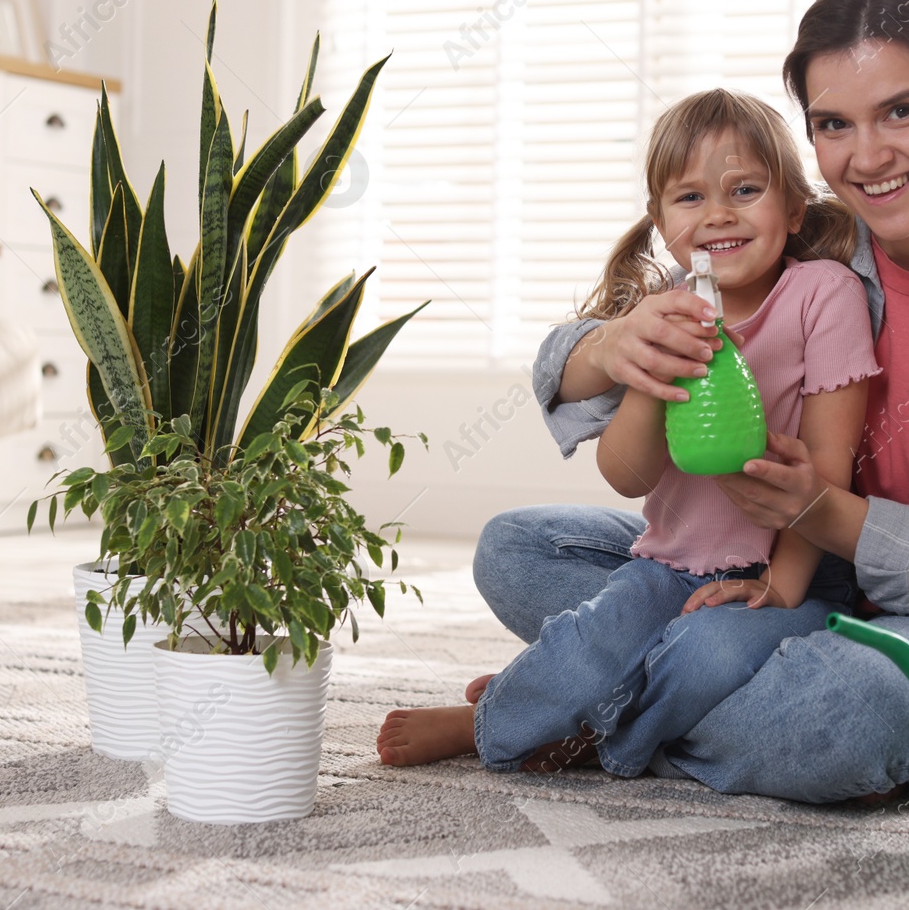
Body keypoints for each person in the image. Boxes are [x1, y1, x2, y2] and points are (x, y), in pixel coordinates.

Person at [459, 0, 909, 802]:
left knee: (840, 713)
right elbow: (573, 363)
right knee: (518, 550)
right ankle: (656, 690)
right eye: (834, 124)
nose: (867, 154)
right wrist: (617, 345)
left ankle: (587, 713)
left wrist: (825, 513)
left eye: (902, 111)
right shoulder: (810, 241)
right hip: (769, 579)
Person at [376, 89, 879, 773]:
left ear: (792, 206)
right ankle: (526, 712)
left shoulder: (823, 294)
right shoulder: (661, 310)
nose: (719, 213)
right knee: (594, 638)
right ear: (659, 220)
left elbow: (829, 462)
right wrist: (648, 378)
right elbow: (627, 476)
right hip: (670, 567)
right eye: (690, 197)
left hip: (799, 577)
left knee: (709, 653)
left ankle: (573, 725)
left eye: (745, 189)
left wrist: (780, 587)